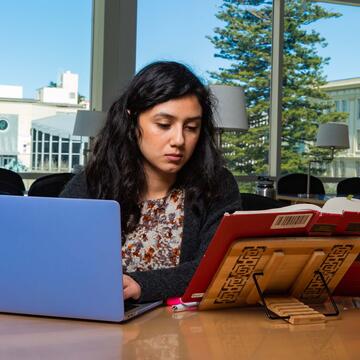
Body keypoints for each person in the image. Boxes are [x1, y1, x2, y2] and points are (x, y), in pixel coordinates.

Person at [60, 61, 242, 302]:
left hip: (186, 331)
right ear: (132, 119)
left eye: (191, 127)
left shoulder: (216, 184)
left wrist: (141, 285)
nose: (179, 139)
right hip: (103, 326)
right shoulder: (92, 183)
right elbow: (57, 260)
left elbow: (215, 267)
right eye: (164, 125)